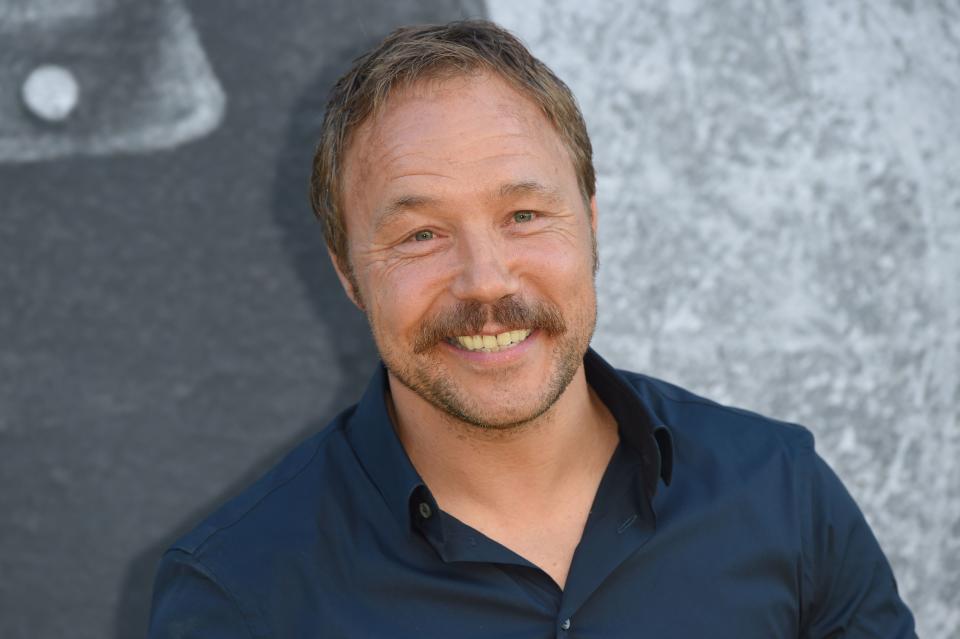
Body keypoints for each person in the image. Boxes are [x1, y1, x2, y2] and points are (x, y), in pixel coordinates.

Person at [148, 20, 916, 638]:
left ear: (590, 224)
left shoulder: (781, 491)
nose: (486, 280)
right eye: (420, 234)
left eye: (523, 215)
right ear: (348, 272)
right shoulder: (240, 590)